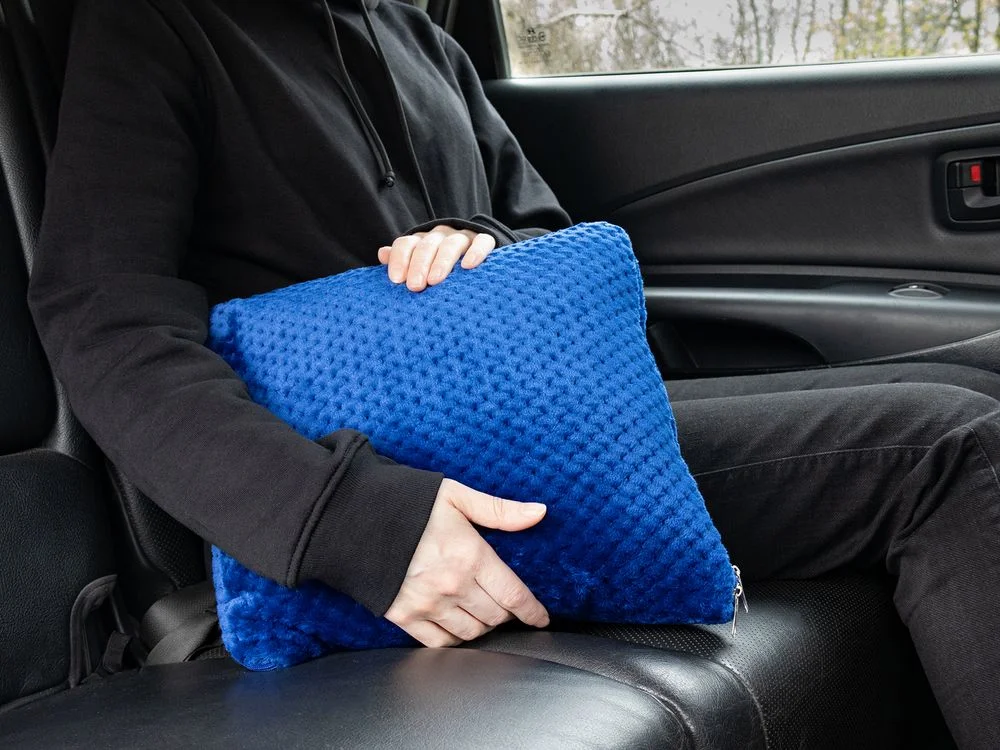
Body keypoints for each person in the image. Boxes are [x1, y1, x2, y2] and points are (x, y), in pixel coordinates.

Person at [26, 1, 999, 748]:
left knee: (981, 377)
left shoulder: (421, 37)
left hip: (550, 407)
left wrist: (480, 241)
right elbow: (102, 320)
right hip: (397, 473)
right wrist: (351, 522)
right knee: (950, 448)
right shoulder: (158, 25)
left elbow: (542, 230)